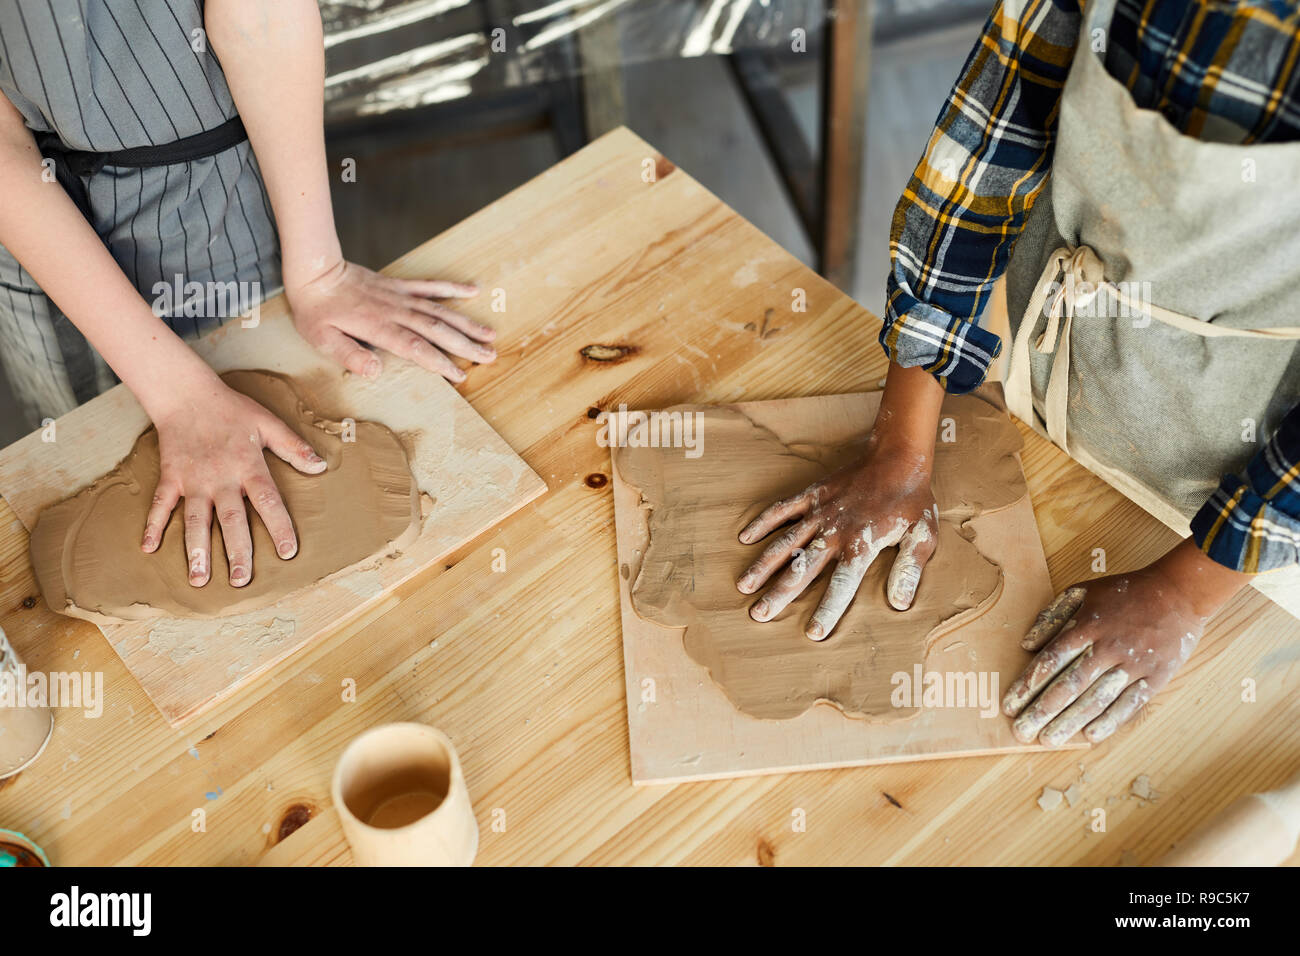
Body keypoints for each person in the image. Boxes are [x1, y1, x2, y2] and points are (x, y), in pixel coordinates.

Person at [737, 0, 1300, 747]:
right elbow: (992, 134)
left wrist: (1185, 593)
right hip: (1065, 383)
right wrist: (903, 446)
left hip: (1259, 502)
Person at [0, 0, 497, 590]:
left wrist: (316, 270)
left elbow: (260, 15)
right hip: (33, 231)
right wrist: (180, 399)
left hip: (212, 199)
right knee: (81, 454)